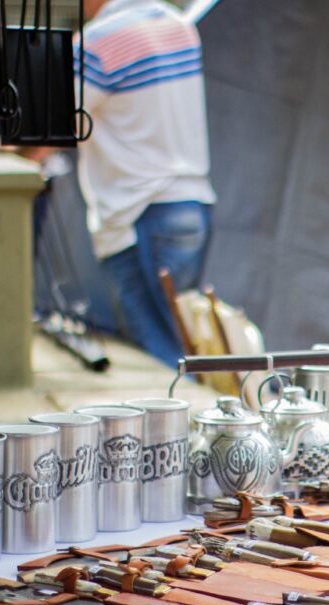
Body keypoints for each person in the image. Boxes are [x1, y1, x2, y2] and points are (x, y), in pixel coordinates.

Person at [77, 0, 216, 367]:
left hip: (138, 213)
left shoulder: (97, 41)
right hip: (192, 204)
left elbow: (56, 125)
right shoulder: (179, 25)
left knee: (158, 359)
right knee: (184, 348)